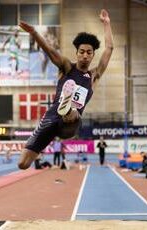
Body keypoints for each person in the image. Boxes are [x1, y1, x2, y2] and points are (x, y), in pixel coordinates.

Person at [18, 9, 114, 170]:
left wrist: (107, 23)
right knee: (23, 164)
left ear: (92, 55)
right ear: (76, 53)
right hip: (50, 118)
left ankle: (68, 106)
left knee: (72, 113)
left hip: (71, 123)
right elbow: (49, 51)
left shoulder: (94, 75)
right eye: (81, 52)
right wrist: (34, 32)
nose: (85, 55)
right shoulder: (67, 67)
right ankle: (64, 106)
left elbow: (109, 48)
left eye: (89, 52)